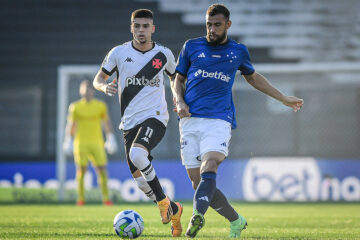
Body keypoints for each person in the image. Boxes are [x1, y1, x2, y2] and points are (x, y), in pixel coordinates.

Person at [172, 3, 304, 238]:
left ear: (228, 25)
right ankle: (237, 221)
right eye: (209, 25)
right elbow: (178, 79)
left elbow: (253, 78)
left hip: (219, 120)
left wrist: (282, 97)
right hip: (190, 120)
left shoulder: (238, 51)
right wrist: (179, 101)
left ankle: (197, 216)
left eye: (217, 25)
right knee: (197, 184)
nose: (212, 29)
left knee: (210, 165)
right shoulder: (191, 47)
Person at [92, 9, 183, 237]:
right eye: (137, 26)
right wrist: (104, 87)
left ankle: (162, 202)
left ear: (153, 29)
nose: (141, 30)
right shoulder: (118, 53)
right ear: (131, 28)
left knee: (138, 155)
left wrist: (178, 98)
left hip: (156, 116)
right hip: (129, 122)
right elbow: (98, 79)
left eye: (145, 26)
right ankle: (173, 208)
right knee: (142, 183)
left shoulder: (163, 55)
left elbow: (176, 78)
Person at [63, 80, 118, 206]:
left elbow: (106, 122)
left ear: (93, 91)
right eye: (84, 89)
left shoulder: (100, 106)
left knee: (102, 169)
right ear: (80, 91)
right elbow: (71, 124)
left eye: (89, 89)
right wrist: (68, 139)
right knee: (81, 170)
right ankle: (81, 199)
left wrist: (110, 137)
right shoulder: (75, 107)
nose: (87, 92)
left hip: (97, 143)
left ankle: (106, 199)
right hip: (80, 143)